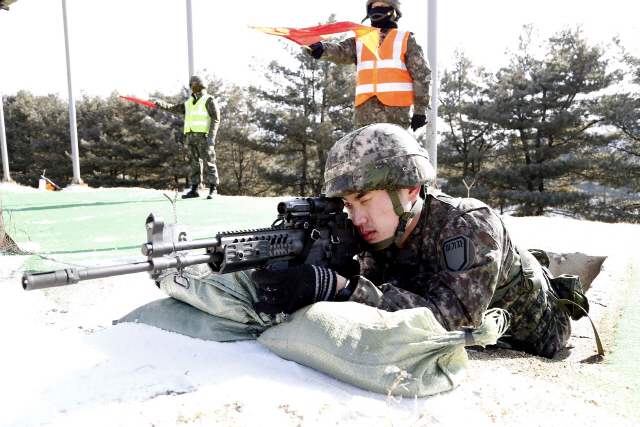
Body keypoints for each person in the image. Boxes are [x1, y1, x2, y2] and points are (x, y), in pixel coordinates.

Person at [252, 123, 573, 358]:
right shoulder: (380, 232)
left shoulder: (468, 223)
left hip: (536, 337)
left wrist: (339, 287)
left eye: (364, 199)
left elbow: (452, 323)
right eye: (348, 205)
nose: (357, 216)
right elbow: (377, 297)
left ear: (410, 189)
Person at [306, 0, 431, 132]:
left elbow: (422, 75)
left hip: (396, 115)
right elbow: (340, 51)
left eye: (383, 6)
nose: (377, 9)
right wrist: (321, 49)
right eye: (374, 6)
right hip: (364, 114)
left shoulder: (405, 38)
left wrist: (420, 110)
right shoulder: (360, 39)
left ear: (394, 11)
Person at [155, 75, 221, 199]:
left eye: (196, 85)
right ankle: (195, 189)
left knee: (209, 163)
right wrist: (162, 105)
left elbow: (215, 119)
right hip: (190, 138)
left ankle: (213, 189)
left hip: (204, 137)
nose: (193, 87)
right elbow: (174, 109)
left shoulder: (209, 100)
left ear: (202, 86)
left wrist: (211, 136)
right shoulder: (188, 101)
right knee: (194, 164)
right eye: (192, 85)